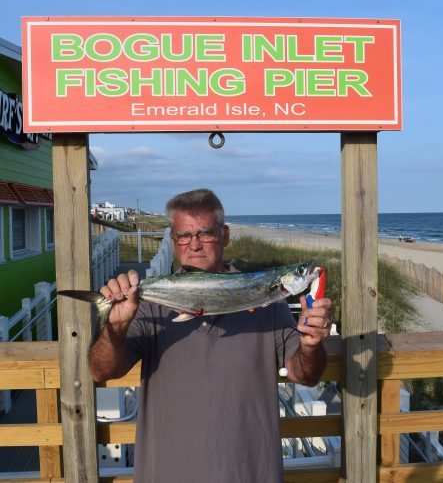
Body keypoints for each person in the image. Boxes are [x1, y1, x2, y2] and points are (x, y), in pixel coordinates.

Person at [89, 188, 332, 483]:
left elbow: (305, 375)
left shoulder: (271, 304)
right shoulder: (147, 305)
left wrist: (310, 344)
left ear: (225, 235)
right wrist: (114, 327)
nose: (195, 245)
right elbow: (100, 369)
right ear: (173, 239)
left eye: (206, 234)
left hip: (251, 473)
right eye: (184, 236)